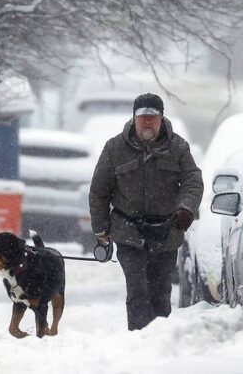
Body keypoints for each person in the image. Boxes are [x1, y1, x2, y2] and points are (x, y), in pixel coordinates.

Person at [88, 92, 204, 330]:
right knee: (138, 289)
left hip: (166, 232)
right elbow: (99, 190)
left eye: (152, 116)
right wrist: (101, 228)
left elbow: (193, 181)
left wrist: (186, 208)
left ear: (161, 118)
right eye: (142, 116)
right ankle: (139, 339)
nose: (147, 121)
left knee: (161, 292)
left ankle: (159, 340)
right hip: (128, 231)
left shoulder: (178, 147)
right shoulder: (114, 148)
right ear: (134, 119)